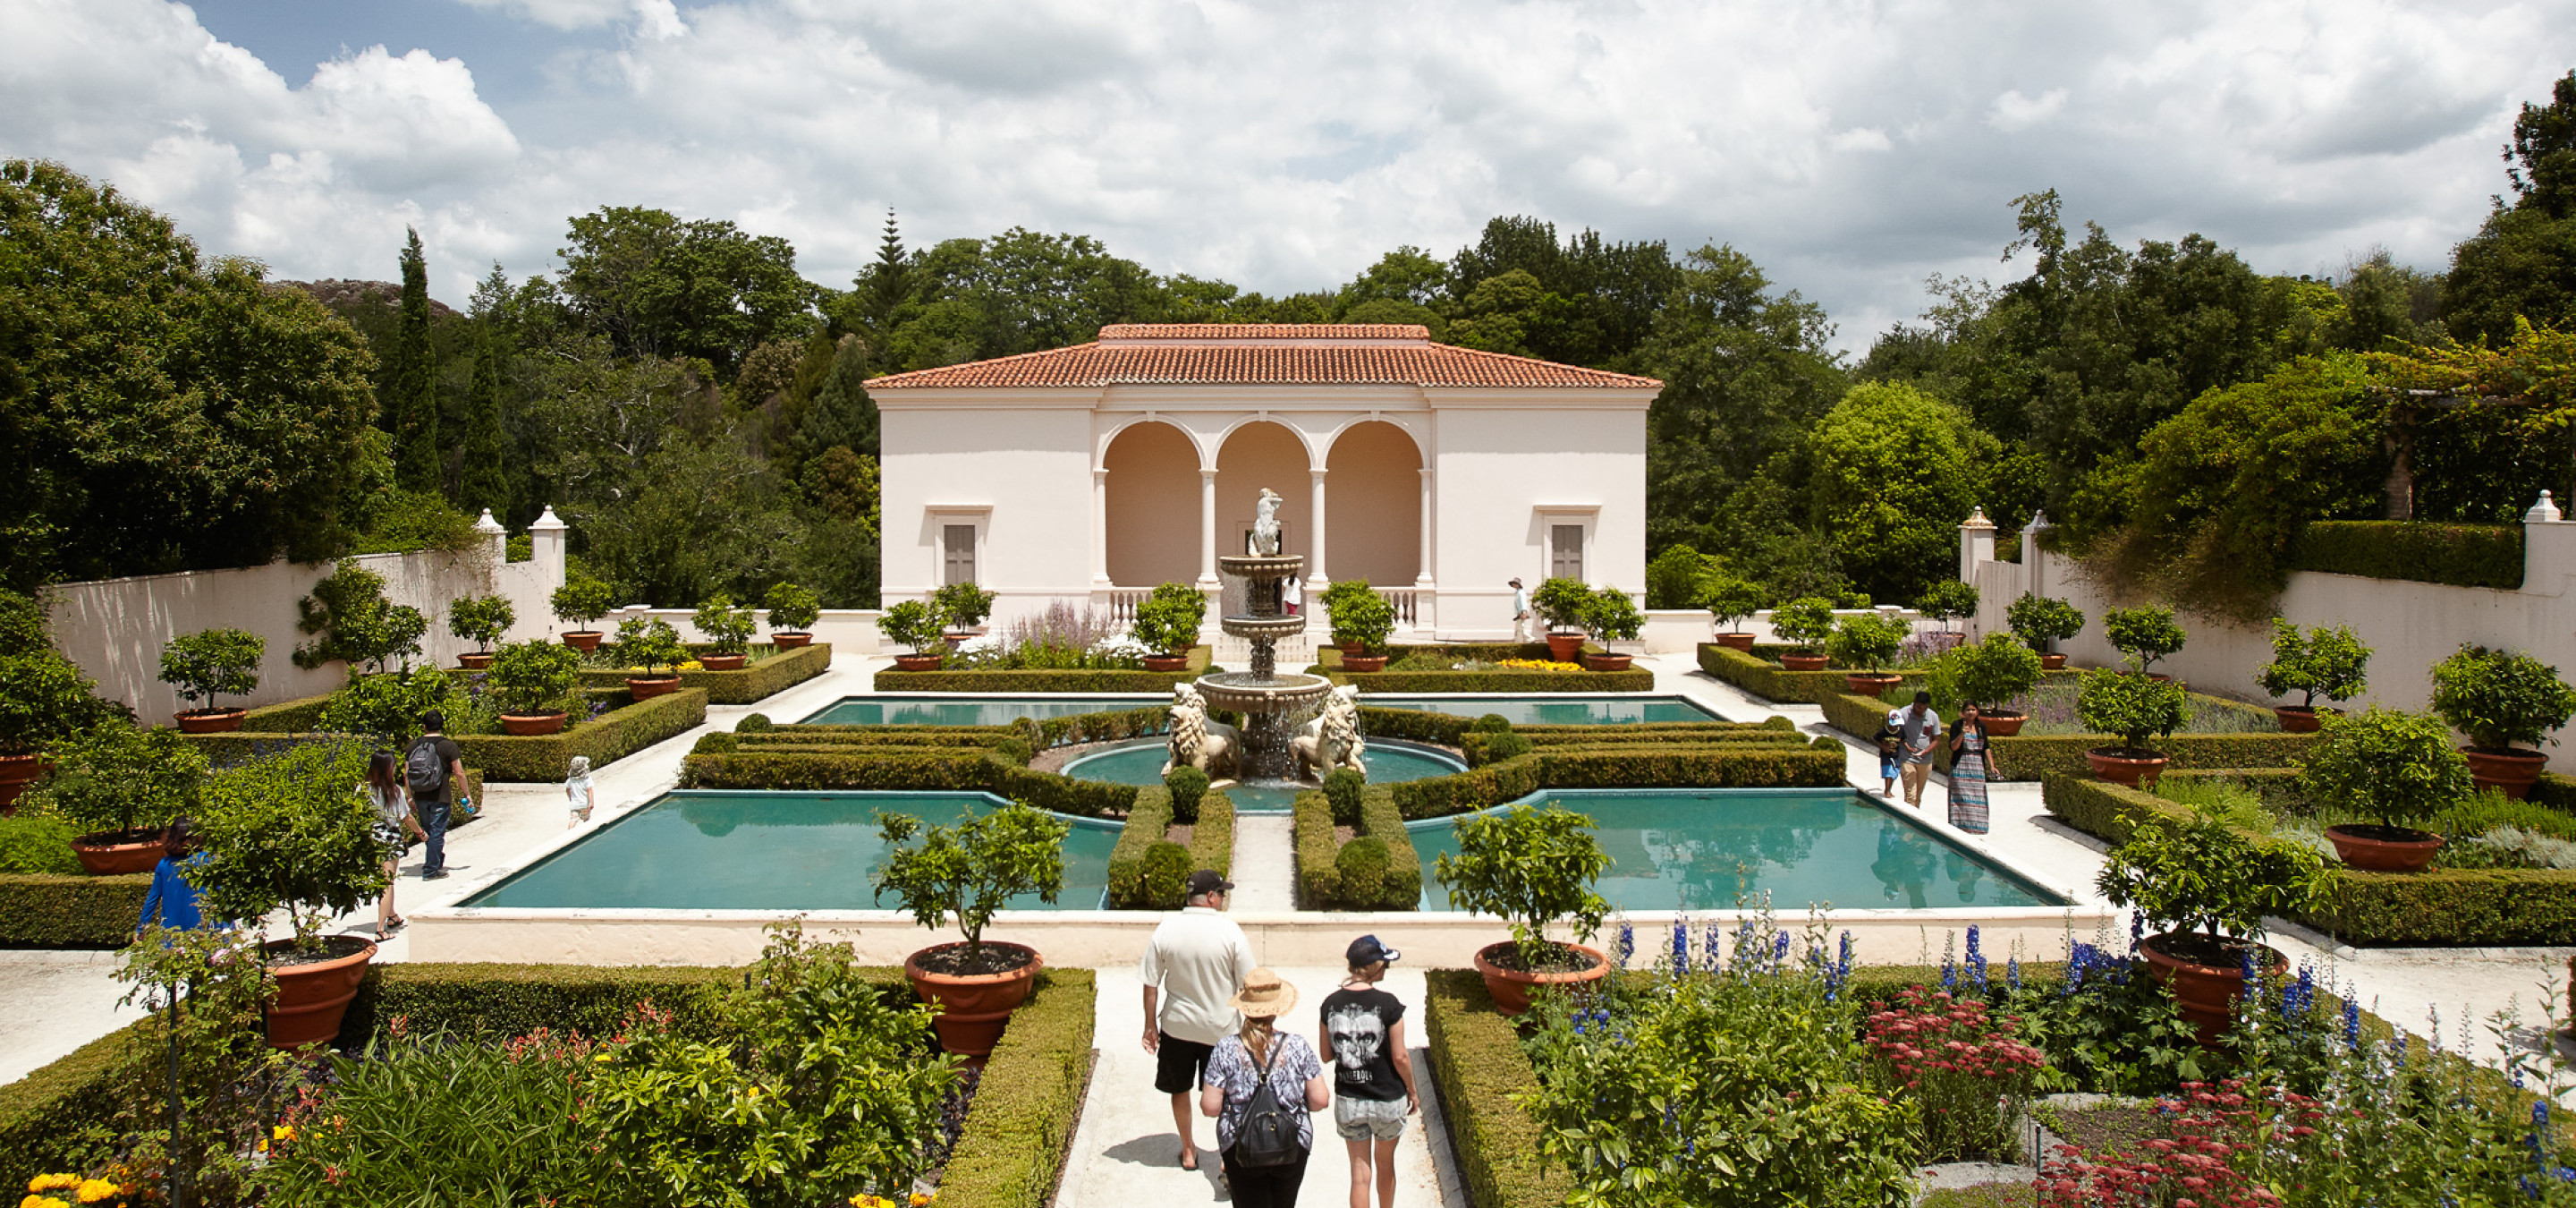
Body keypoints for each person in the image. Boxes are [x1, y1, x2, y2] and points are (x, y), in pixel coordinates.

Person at [1140, 870, 1257, 1172]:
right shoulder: (1230, 931)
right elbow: (1249, 985)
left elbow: (1150, 983)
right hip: (1221, 1029)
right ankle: (1225, 1157)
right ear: (1210, 897)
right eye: (1222, 893)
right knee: (1228, 1096)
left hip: (1177, 1025)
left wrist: (1150, 1026)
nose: (1222, 899)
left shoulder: (1166, 929)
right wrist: (1255, 1029)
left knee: (1179, 1089)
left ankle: (1188, 1150)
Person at [1201, 968, 1329, 1207]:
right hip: (1291, 1141)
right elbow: (1320, 1100)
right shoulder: (1297, 1046)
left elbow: (1210, 1107)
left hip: (1240, 1144)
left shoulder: (1225, 1049)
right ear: (1276, 1009)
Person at [1321, 936, 1417, 1208]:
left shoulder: (1330, 1004)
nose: (1386, 968)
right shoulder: (1389, 1005)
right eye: (1384, 964)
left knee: (1359, 1175)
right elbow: (1400, 1056)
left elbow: (1327, 1054)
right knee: (1385, 1166)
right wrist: (1412, 1090)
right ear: (1373, 967)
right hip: (1387, 1098)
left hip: (1350, 1100)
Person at [365, 752, 426, 934]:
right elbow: (406, 817)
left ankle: (392, 915)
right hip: (389, 839)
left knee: (382, 879)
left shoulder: (363, 790)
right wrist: (420, 833)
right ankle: (380, 929)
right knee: (387, 883)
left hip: (370, 838)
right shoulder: (395, 790)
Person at [406, 710, 470, 880]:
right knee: (436, 833)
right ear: (442, 726)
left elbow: (406, 773)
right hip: (440, 796)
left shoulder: (413, 745)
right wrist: (467, 794)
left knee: (430, 831)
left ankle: (436, 861)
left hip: (420, 796)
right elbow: (459, 772)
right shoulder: (448, 746)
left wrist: (410, 796)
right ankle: (431, 870)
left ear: (424, 726)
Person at [138, 817, 208, 934]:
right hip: (203, 932)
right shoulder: (207, 860)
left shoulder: (164, 865)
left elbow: (152, 899)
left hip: (172, 934)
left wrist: (141, 928)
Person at [1947, 702, 1999, 834]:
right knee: (1961, 798)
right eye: (1968, 710)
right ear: (1963, 712)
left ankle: (1977, 827)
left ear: (1977, 712)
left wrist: (1992, 766)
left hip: (1977, 766)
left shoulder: (1981, 727)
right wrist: (1962, 734)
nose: (1970, 712)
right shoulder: (1956, 725)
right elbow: (1953, 747)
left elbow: (1986, 747)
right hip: (1961, 765)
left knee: (1977, 796)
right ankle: (1959, 825)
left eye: (1973, 710)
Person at [1895, 691, 1943, 810]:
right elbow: (1895, 733)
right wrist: (1906, 746)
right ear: (1914, 703)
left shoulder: (1933, 716)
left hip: (1925, 760)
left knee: (1918, 795)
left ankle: (1915, 819)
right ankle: (1909, 821)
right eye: (1918, 707)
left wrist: (1926, 751)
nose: (1921, 711)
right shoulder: (1903, 713)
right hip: (1907, 758)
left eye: (1924, 708)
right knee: (1911, 794)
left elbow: (1936, 739)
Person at [1873, 707, 1904, 798]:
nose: (1894, 726)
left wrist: (1910, 749)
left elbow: (1903, 740)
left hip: (1896, 756)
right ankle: (1887, 791)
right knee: (1888, 772)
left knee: (1894, 773)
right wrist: (1883, 747)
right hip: (1885, 756)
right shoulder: (1883, 731)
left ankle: (1889, 789)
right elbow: (1875, 739)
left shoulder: (1901, 731)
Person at [565, 755, 595, 828]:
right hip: (585, 805)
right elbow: (589, 790)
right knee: (586, 819)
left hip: (574, 805)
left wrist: (571, 798)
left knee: (573, 819)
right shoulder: (587, 779)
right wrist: (591, 802)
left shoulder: (570, 780)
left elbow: (567, 789)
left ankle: (570, 832)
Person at [1509, 577, 1532, 642]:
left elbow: (1523, 602)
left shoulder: (1521, 593)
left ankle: (1530, 639)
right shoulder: (1517, 592)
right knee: (1519, 629)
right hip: (1519, 613)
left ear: (1518, 584)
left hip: (1521, 613)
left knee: (1520, 629)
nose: (1514, 585)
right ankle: (1521, 640)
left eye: (1515, 583)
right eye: (1513, 584)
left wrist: (1523, 612)